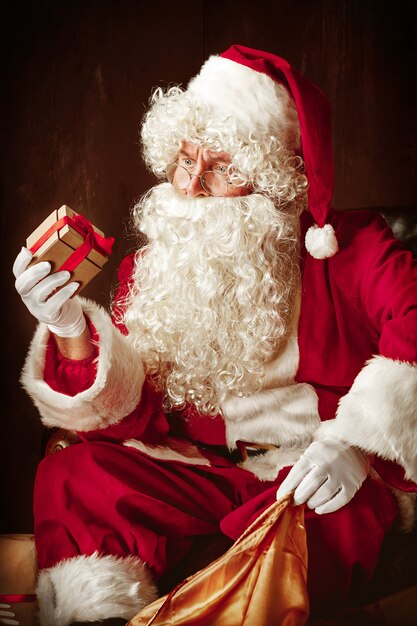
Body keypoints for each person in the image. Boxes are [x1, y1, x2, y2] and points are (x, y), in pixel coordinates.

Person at [13, 45, 417, 626]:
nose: (193, 185)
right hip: (206, 473)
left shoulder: (352, 248)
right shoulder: (159, 266)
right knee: (72, 474)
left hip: (313, 471)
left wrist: (358, 443)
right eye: (184, 159)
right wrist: (70, 329)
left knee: (325, 514)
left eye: (223, 166)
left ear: (270, 178)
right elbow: (134, 419)